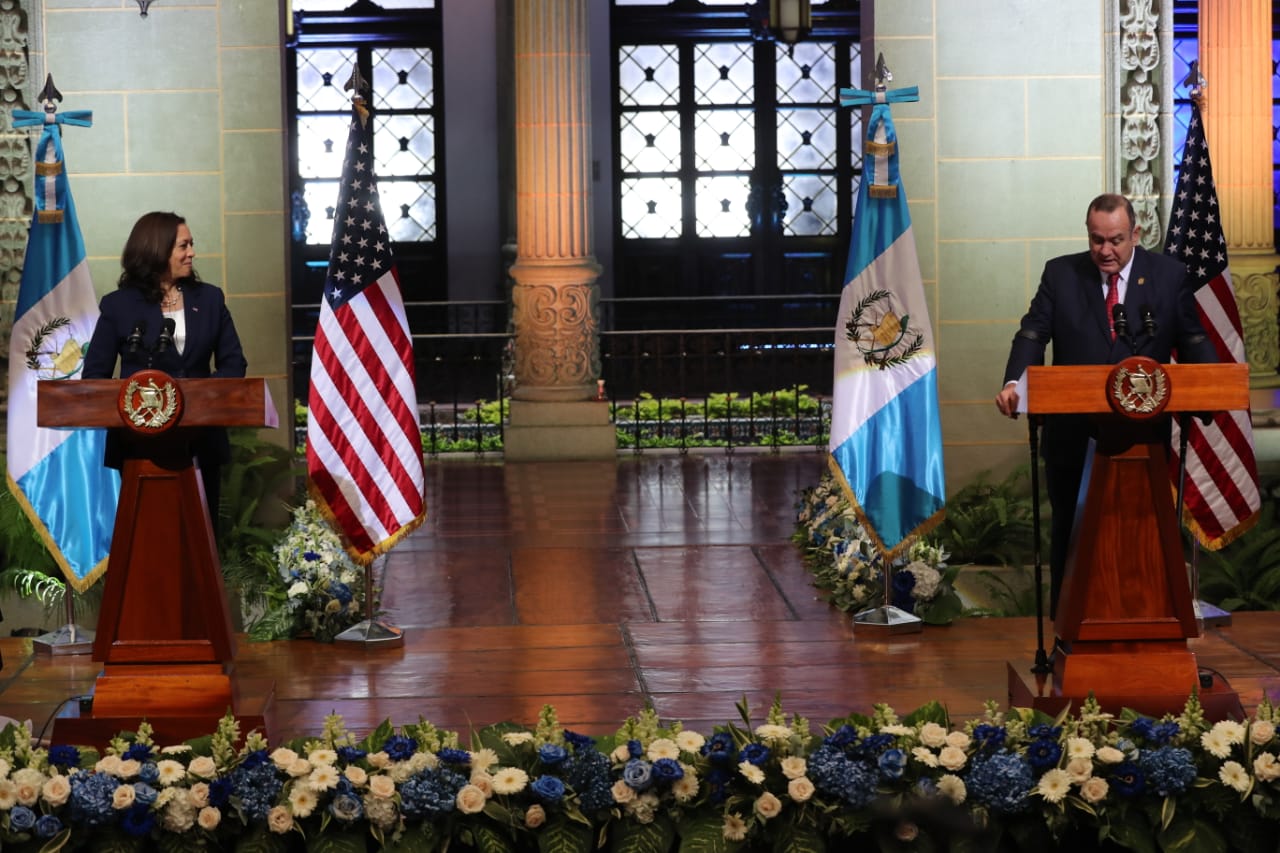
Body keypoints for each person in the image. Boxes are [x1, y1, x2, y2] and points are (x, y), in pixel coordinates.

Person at [994, 193, 1216, 618]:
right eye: (1097, 240)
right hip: (1073, 435)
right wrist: (1013, 383)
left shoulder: (1168, 276)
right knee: (1071, 531)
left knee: (1143, 533)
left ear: (1136, 234)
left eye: (1115, 240)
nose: (1105, 250)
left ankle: (1148, 624)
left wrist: (1210, 388)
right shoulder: (1061, 274)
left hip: (1143, 436)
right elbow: (1032, 333)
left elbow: (1192, 338)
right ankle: (1068, 629)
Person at [83, 211, 247, 523]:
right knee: (146, 531)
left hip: (201, 441)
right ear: (157, 250)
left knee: (201, 533)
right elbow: (94, 375)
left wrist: (201, 399)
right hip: (138, 444)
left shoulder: (210, 299)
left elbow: (234, 364)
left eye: (191, 244)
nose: (192, 253)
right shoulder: (119, 305)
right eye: (183, 246)